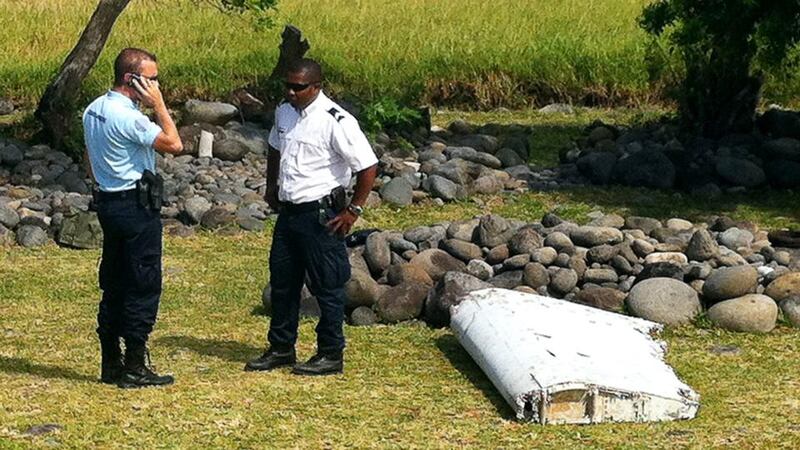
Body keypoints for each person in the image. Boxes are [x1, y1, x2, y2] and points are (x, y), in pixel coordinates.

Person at [245, 58, 378, 376]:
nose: (290, 92)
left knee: (328, 286)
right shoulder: (284, 111)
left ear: (316, 86)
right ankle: (281, 347)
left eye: (298, 87)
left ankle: (330, 352)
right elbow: (275, 147)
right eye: (287, 86)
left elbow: (367, 166)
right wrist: (271, 185)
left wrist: (353, 210)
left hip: (321, 215)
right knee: (283, 283)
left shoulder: (336, 120)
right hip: (289, 214)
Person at [83, 47, 183, 388]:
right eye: (152, 80)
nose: (156, 86)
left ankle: (110, 360)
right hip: (135, 207)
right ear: (132, 79)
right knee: (142, 282)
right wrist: (158, 106)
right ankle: (135, 365)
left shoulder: (94, 109)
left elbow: (90, 156)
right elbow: (173, 143)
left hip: (109, 203)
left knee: (113, 280)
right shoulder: (130, 117)